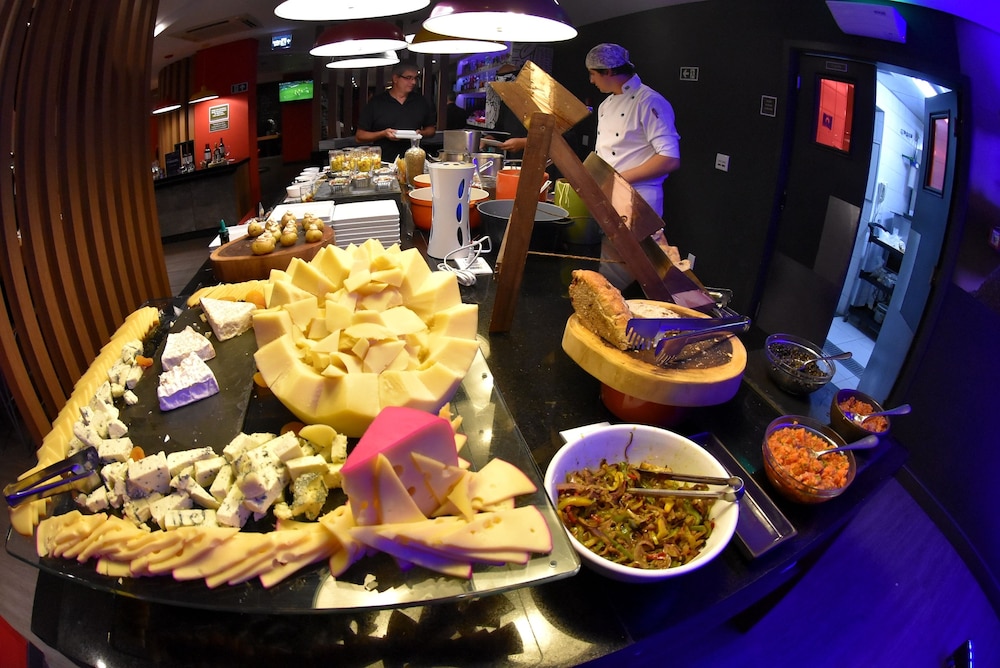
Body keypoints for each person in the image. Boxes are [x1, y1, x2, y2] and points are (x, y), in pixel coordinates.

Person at [586, 43, 682, 288]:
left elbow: (669, 158)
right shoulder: (606, 105)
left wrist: (616, 179)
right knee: (612, 269)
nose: (591, 80)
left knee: (648, 272)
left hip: (639, 201)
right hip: (609, 197)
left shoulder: (650, 102)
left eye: (593, 74)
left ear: (608, 71)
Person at [356, 61, 437, 161]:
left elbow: (431, 130)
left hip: (414, 161)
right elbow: (360, 136)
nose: (413, 82)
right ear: (395, 78)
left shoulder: (421, 101)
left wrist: (421, 133)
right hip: (384, 163)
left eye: (415, 78)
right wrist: (383, 134)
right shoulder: (377, 103)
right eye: (408, 78)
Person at [482, 63, 528, 159]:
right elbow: (501, 129)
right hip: (512, 159)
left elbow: (551, 138)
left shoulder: (536, 102)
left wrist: (523, 143)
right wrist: (491, 138)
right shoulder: (506, 103)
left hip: (535, 159)